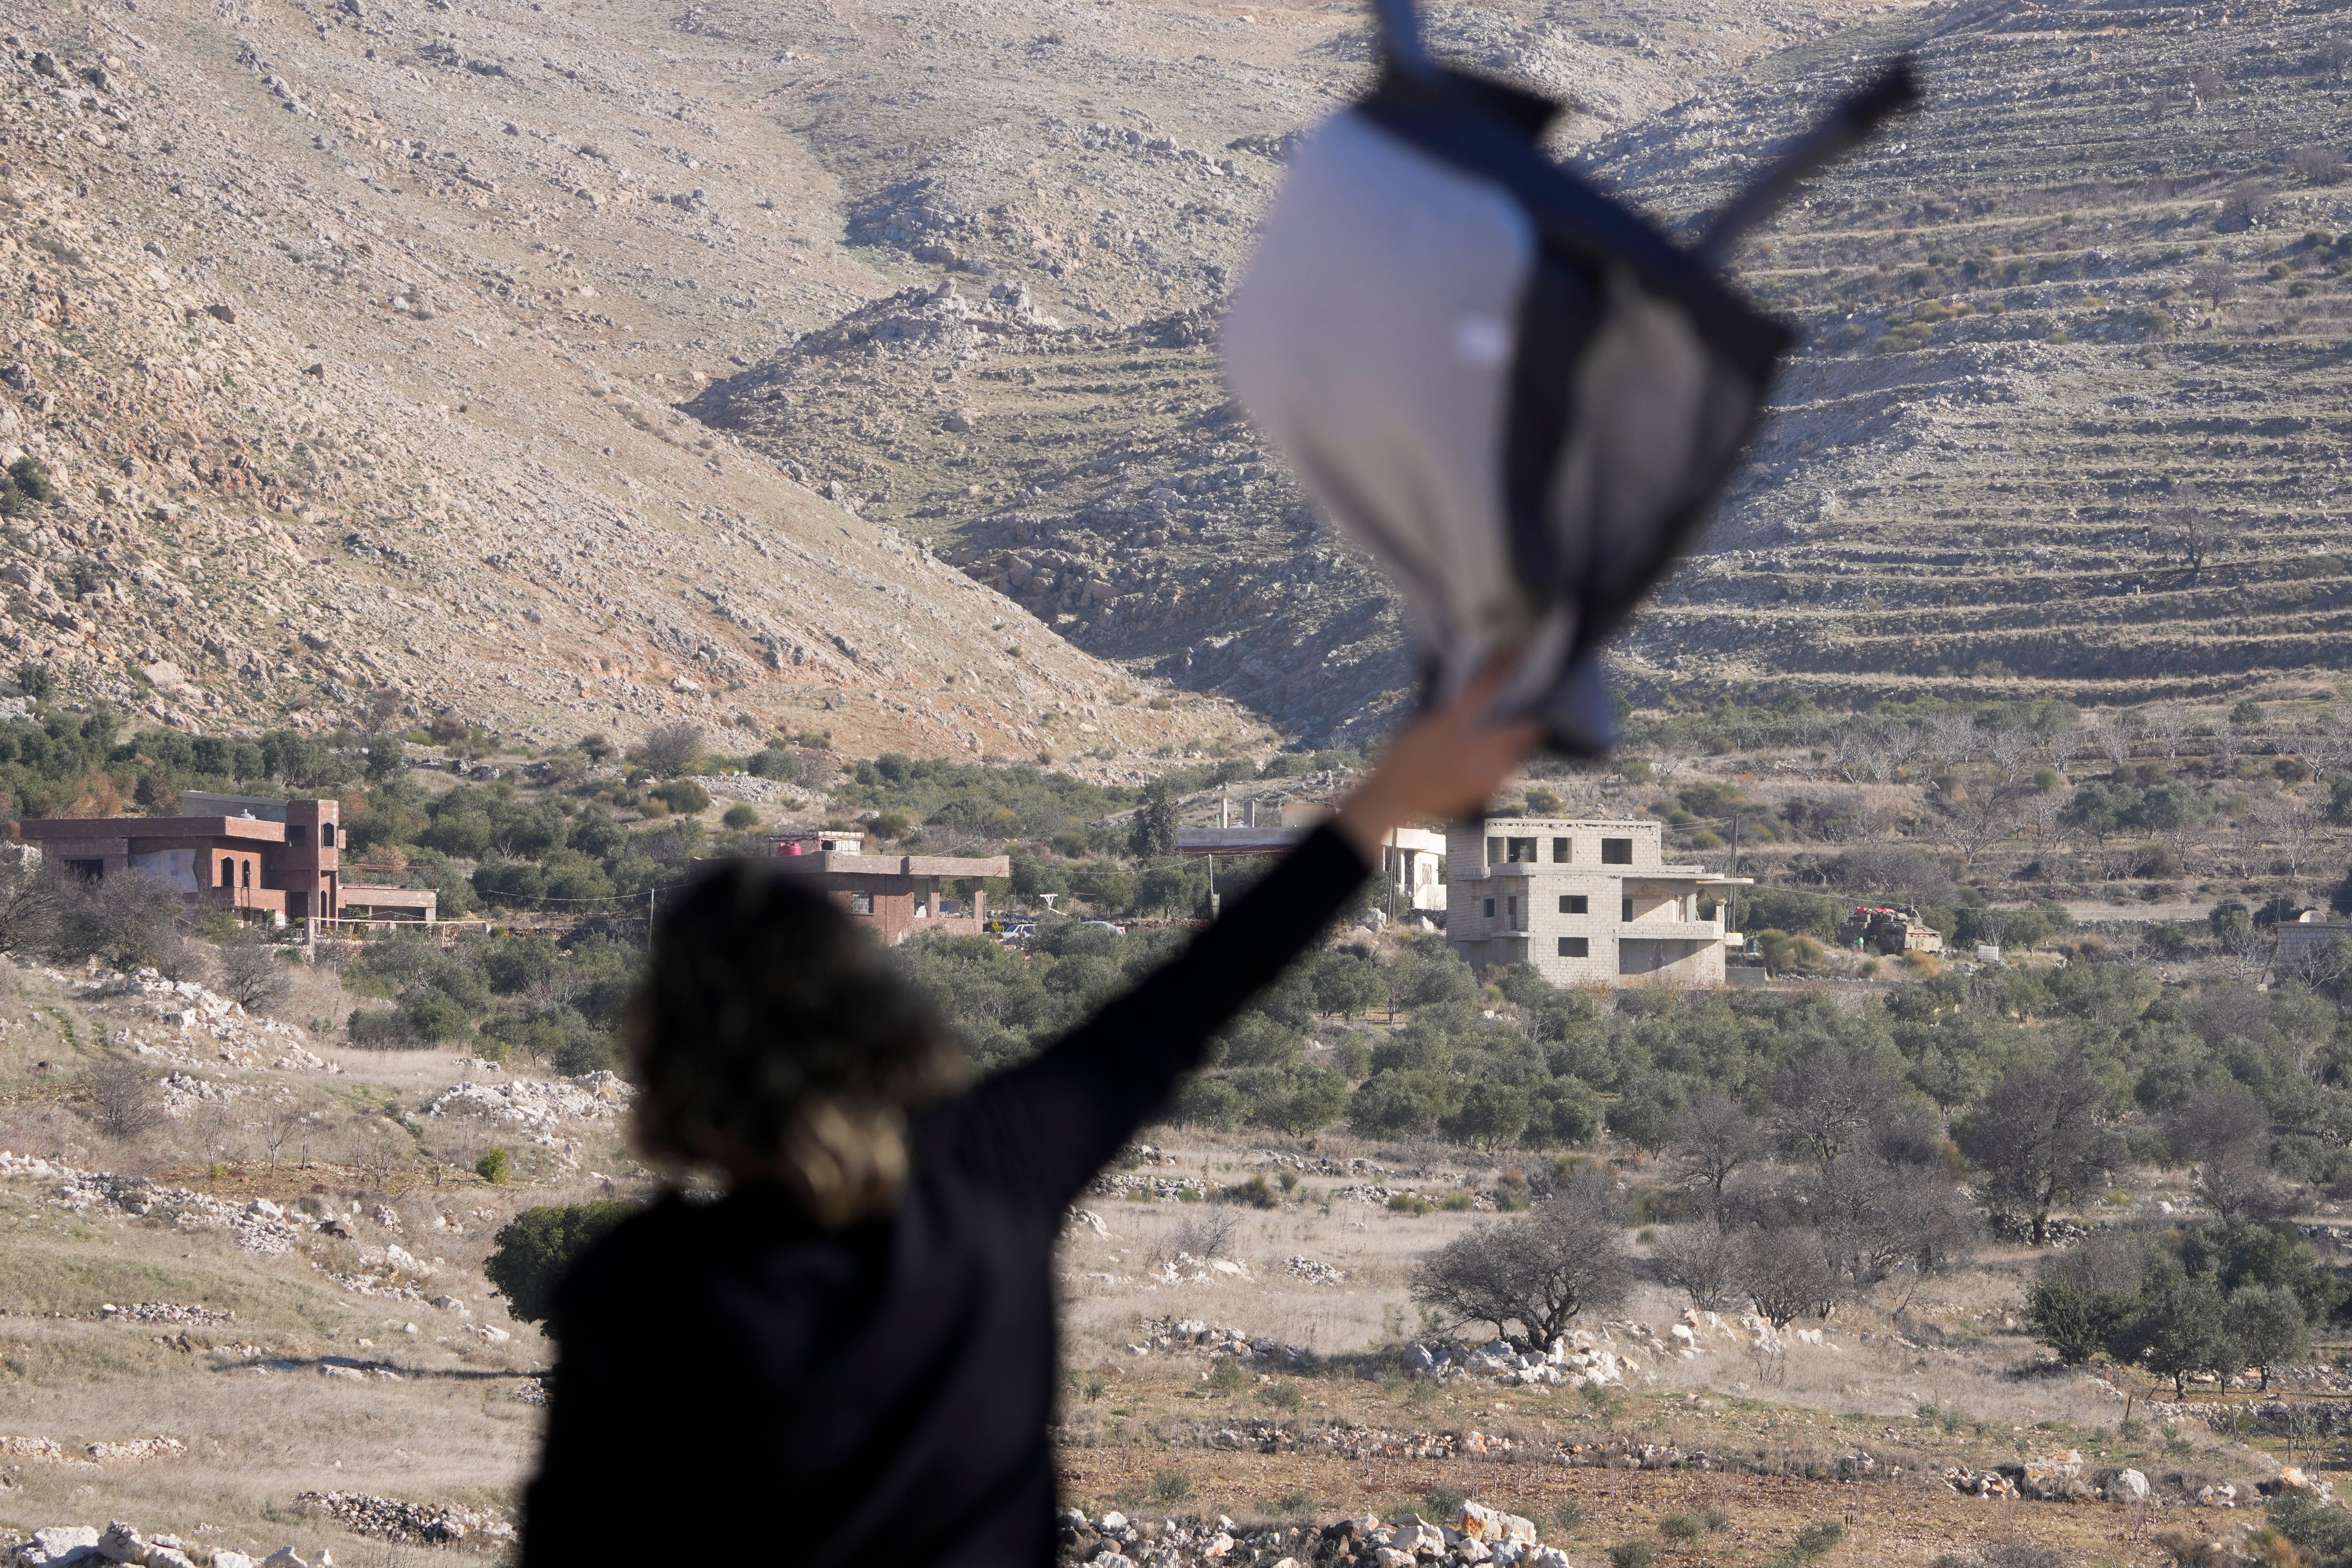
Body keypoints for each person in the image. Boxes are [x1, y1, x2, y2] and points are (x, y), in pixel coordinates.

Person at [520, 666, 1540, 1567]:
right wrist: (1391, 795)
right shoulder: (992, 1173)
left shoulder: (635, 1291)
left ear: (673, 1061)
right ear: (876, 1015)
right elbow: (1200, 988)